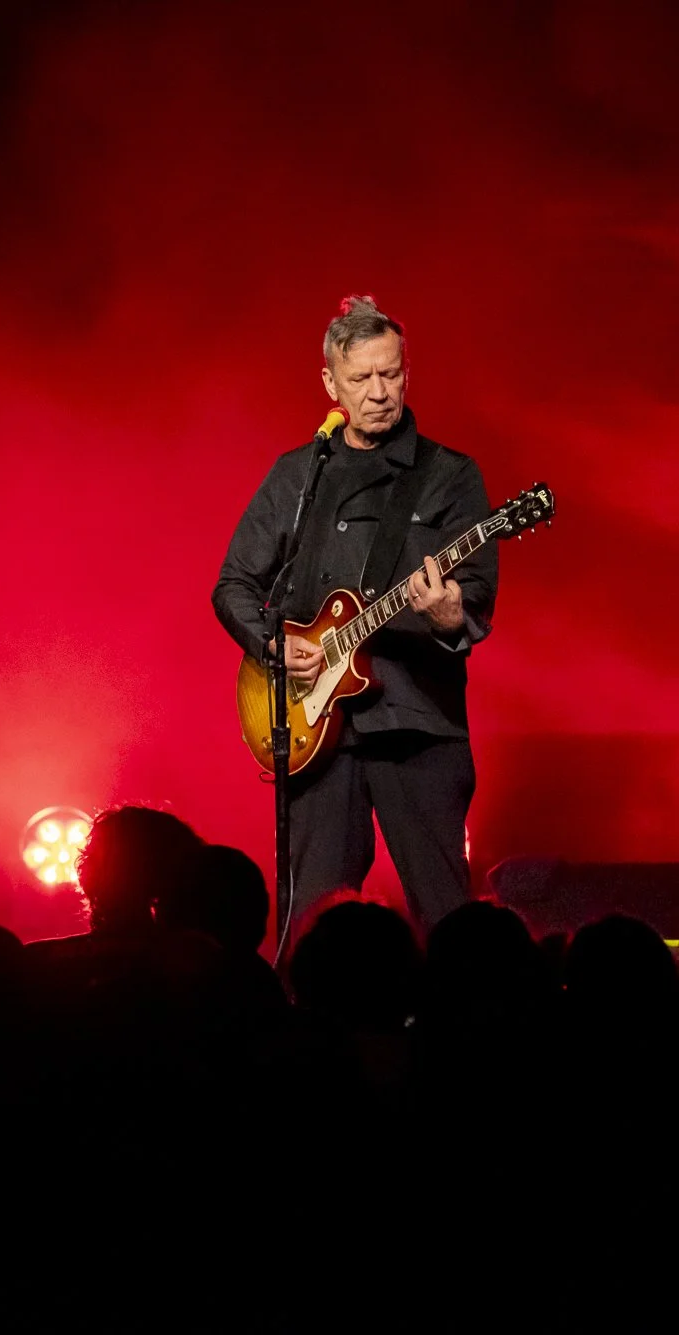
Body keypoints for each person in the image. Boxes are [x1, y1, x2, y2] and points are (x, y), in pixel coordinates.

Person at [213, 295, 496, 939]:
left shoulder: (449, 476)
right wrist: (273, 647)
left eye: (390, 374)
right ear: (330, 383)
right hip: (315, 734)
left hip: (416, 724)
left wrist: (449, 615)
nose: (378, 392)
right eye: (361, 377)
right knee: (313, 922)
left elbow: (476, 594)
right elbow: (234, 585)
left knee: (448, 919)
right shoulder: (298, 475)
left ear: (406, 372)